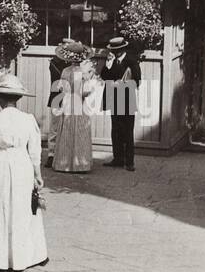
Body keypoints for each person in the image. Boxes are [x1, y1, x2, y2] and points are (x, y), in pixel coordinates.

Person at [0, 73, 48, 271]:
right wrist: (38, 175)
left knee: (1, 207)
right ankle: (25, 255)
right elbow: (35, 151)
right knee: (23, 209)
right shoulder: (28, 119)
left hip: (2, 164)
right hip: (23, 164)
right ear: (18, 99)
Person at [52, 40, 97, 173]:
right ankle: (80, 163)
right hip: (79, 103)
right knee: (80, 130)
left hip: (67, 102)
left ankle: (63, 163)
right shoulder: (83, 72)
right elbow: (86, 92)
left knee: (66, 130)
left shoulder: (65, 71)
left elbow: (60, 88)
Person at [101, 35, 141, 171]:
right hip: (113, 98)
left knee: (128, 131)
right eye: (113, 50)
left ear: (122, 49)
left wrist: (123, 84)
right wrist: (108, 65)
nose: (114, 52)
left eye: (117, 50)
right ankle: (118, 158)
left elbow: (137, 81)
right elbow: (104, 76)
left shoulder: (131, 61)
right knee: (116, 130)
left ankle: (130, 162)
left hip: (127, 99)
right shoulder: (110, 61)